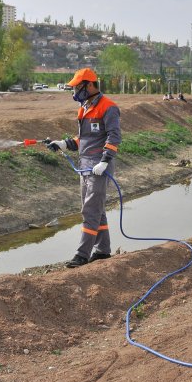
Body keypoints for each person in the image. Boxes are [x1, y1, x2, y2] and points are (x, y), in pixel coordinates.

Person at [47, 68, 121, 268]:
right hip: (85, 166)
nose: (74, 91)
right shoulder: (84, 108)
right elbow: (85, 139)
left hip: (99, 166)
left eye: (77, 87)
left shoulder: (108, 107)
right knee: (97, 210)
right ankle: (103, 251)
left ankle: (82, 254)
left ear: (89, 85)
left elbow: (114, 137)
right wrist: (64, 144)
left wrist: (105, 160)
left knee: (90, 210)